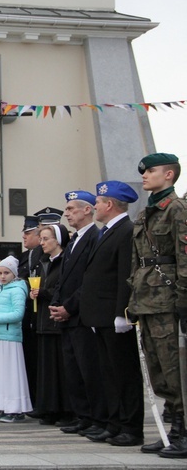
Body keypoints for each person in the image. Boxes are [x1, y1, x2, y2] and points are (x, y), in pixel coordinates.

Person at [128, 153, 187, 458]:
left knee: (175, 367)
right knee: (157, 368)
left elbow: (184, 257)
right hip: (147, 299)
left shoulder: (177, 209)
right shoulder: (147, 212)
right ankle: (172, 429)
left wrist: (184, 300)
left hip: (168, 300)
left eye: (151, 171)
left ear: (169, 175)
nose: (145, 176)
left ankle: (183, 431)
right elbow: (138, 261)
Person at [79, 180, 143, 446]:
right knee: (109, 374)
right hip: (100, 315)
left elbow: (124, 276)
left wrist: (123, 313)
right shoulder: (106, 231)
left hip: (115, 316)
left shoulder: (126, 231)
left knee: (124, 373)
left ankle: (131, 427)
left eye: (97, 202)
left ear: (109, 204)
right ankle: (115, 423)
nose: (95, 206)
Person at [49, 191, 107, 437]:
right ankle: (82, 415)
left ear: (87, 210)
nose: (67, 213)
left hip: (83, 315)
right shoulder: (73, 241)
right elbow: (64, 278)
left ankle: (97, 417)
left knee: (89, 370)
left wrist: (69, 307)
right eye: (67, 209)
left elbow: (90, 280)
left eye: (72, 208)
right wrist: (56, 304)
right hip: (68, 317)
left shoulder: (95, 236)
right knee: (73, 371)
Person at [0, 256, 32, 423]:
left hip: (10, 338)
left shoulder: (17, 289)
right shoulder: (1, 289)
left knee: (11, 373)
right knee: (0, 374)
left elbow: (18, 314)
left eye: (6, 273)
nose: (2, 276)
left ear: (14, 274)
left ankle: (15, 409)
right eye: (0, 273)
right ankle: (1, 406)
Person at [29, 224, 72, 425]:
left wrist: (43, 293)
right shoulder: (43, 262)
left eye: (46, 239)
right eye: (42, 239)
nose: (42, 243)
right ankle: (48, 407)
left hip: (57, 319)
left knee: (60, 369)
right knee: (47, 368)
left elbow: (62, 287)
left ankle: (64, 410)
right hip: (43, 320)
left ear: (58, 240)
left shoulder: (65, 260)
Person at [18, 214, 43, 411]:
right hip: (27, 315)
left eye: (28, 233)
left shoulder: (41, 255)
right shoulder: (26, 257)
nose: (24, 237)